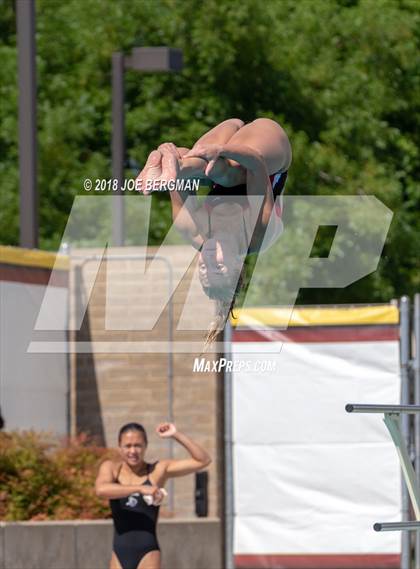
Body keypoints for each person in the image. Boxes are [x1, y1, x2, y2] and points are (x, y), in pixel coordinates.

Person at [136, 118, 292, 343]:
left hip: (218, 165)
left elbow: (179, 182)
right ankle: (187, 161)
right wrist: (222, 149)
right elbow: (257, 166)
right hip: (268, 160)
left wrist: (170, 155)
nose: (207, 260)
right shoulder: (258, 234)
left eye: (203, 269)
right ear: (237, 265)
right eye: (217, 266)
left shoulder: (192, 230)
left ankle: (165, 163)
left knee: (195, 164)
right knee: (231, 172)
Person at [95, 421, 211, 569]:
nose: (133, 451)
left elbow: (203, 460)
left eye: (138, 445)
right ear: (120, 447)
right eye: (127, 446)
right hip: (118, 554)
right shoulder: (111, 468)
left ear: (146, 446)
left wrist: (176, 434)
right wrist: (140, 489)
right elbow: (101, 490)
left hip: (147, 553)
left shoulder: (157, 471)